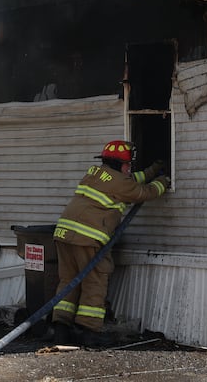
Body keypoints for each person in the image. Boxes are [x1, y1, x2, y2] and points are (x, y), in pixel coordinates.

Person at [51, 140, 169, 347]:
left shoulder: (96, 173)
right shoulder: (121, 184)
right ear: (121, 165)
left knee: (68, 280)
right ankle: (88, 331)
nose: (129, 168)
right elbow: (145, 192)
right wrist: (164, 180)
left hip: (63, 234)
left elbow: (130, 180)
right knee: (94, 281)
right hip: (87, 238)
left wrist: (152, 169)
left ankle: (61, 329)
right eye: (128, 165)